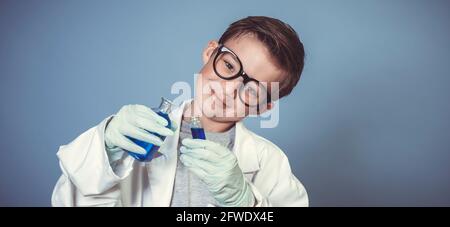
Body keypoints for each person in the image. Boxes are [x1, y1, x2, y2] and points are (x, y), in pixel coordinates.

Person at [51, 16, 308, 207]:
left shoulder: (270, 163)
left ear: (265, 106)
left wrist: (246, 202)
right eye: (229, 65)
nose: (229, 90)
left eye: (253, 91)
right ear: (210, 52)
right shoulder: (134, 132)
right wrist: (106, 147)